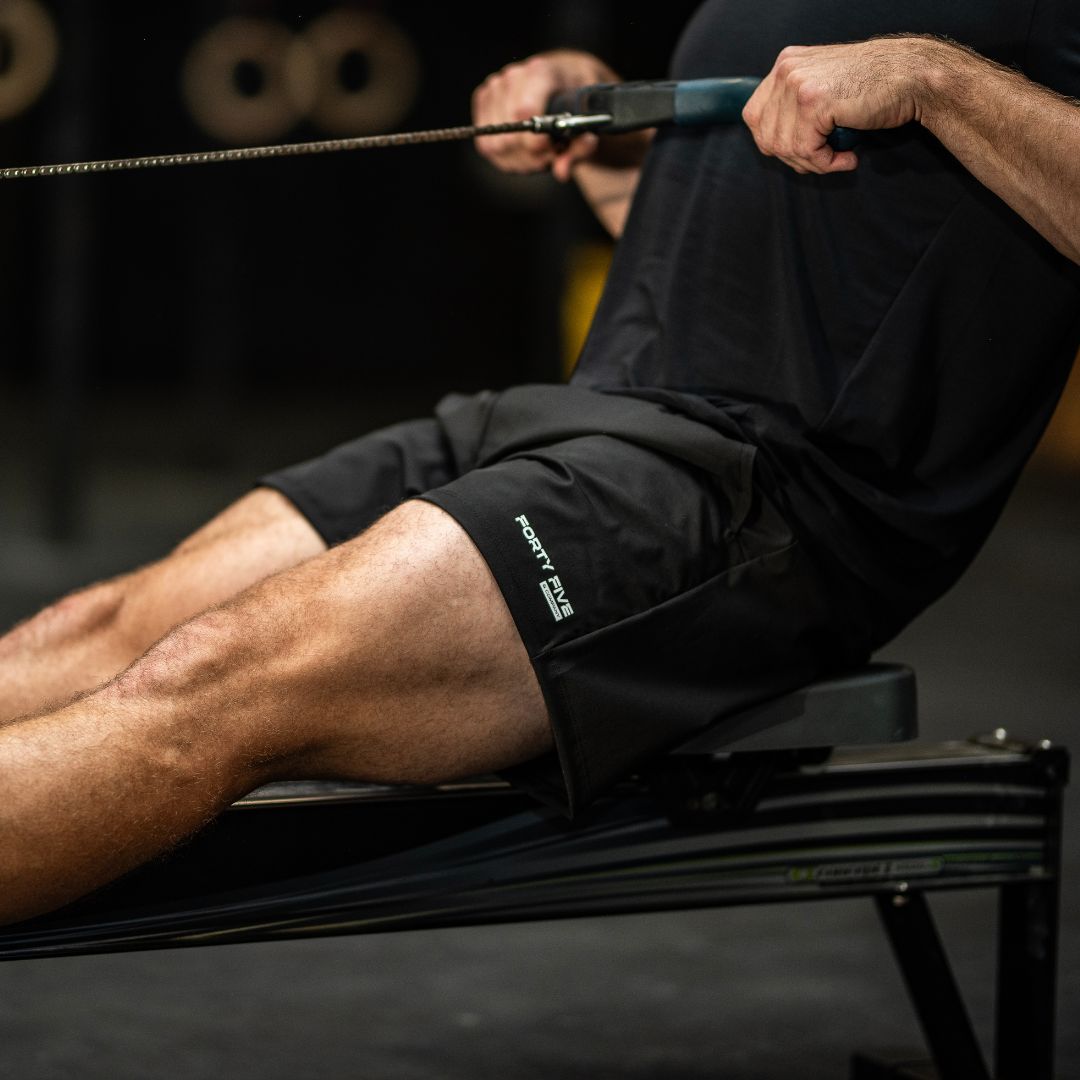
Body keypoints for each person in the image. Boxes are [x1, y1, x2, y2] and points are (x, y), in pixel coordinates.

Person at [1, 2, 1078, 926]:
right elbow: (798, 246)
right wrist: (613, 156)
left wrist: (936, 79)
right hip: (593, 412)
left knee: (215, 679)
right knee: (99, 629)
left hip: (760, 491)